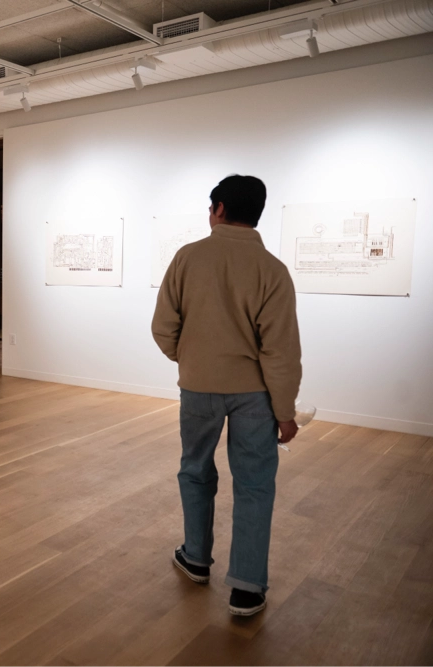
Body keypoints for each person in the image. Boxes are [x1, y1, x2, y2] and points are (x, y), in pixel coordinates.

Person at [151, 175, 302, 617]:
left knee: (195, 471)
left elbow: (163, 327)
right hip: (254, 395)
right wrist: (285, 411)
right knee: (254, 484)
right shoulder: (272, 270)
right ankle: (247, 588)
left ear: (218, 209)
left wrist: (192, 359)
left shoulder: (187, 257)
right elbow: (281, 351)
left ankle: (196, 558)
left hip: (197, 388)